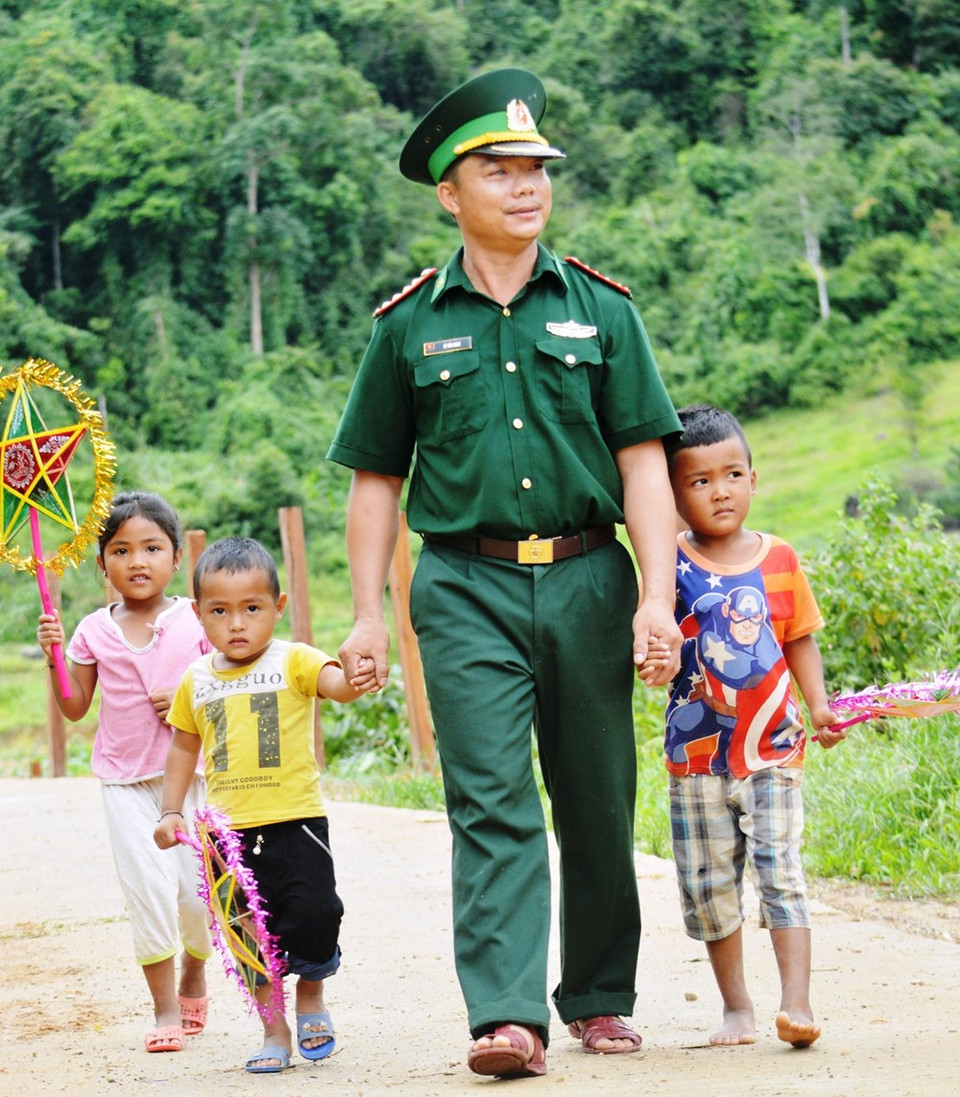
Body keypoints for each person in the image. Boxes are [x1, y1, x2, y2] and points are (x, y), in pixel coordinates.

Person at [327, 67, 683, 1078]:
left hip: (588, 578)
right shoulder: (407, 325)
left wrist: (656, 594)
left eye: (538, 168)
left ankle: (601, 992)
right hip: (463, 587)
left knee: (599, 794)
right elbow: (374, 480)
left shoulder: (605, 311)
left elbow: (643, 461)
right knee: (489, 798)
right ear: (450, 190)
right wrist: (364, 615)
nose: (527, 186)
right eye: (500, 169)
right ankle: (507, 1011)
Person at [653, 403, 845, 1048]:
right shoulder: (668, 565)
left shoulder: (780, 557)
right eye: (699, 481)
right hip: (696, 758)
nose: (720, 491)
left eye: (732, 474)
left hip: (774, 750)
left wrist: (819, 707)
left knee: (779, 869)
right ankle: (737, 1008)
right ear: (673, 495)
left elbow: (801, 641)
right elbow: (653, 640)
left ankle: (798, 1002)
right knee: (708, 885)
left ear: (754, 479)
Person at [153, 536, 362, 1074]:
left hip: (296, 820)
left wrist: (354, 677)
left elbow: (333, 684)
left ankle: (311, 996)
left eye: (252, 608)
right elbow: (182, 746)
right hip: (227, 835)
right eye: (220, 612)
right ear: (198, 614)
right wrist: (170, 810)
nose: (237, 624)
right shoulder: (195, 681)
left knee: (317, 913)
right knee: (246, 935)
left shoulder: (293, 659)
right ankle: (273, 1029)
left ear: (278, 607)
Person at [36, 490, 213, 1054]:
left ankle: (194, 972)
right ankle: (163, 1008)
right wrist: (55, 656)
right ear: (102, 564)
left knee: (197, 895)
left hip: (193, 781)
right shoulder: (91, 629)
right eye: (120, 550)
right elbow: (74, 706)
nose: (137, 561)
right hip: (124, 783)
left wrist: (191, 698)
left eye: (152, 548)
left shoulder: (198, 618)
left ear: (177, 557)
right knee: (148, 892)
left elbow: (225, 688)